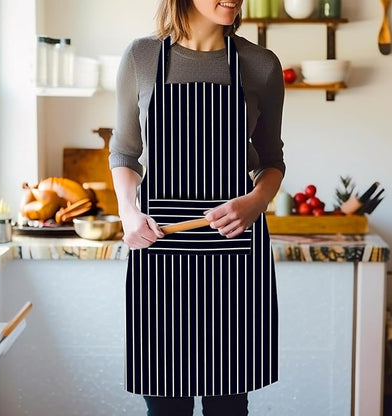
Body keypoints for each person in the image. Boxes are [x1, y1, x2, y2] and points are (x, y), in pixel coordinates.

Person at [109, 0, 285, 414]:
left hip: (233, 249)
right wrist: (128, 212)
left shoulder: (260, 64)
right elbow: (124, 151)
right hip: (162, 250)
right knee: (165, 403)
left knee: (228, 402)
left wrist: (256, 201)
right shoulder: (142, 56)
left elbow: (272, 159)